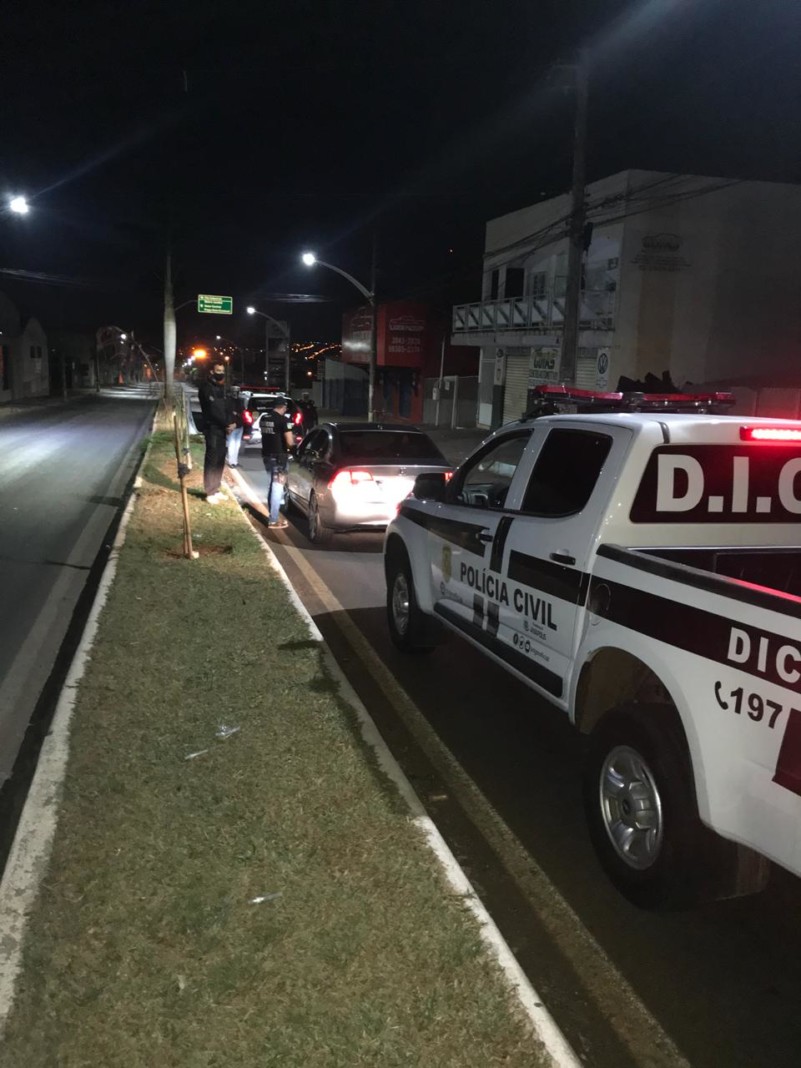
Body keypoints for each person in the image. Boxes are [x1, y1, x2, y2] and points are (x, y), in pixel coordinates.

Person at [198, 361, 235, 503]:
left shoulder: (222, 388)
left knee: (220, 460)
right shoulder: (206, 388)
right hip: (212, 428)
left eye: (222, 371)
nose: (221, 374)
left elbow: (228, 407)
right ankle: (210, 492)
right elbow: (213, 410)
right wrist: (226, 424)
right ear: (211, 372)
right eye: (218, 371)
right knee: (212, 460)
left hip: (223, 430)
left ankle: (216, 488)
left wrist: (232, 423)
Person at [260, 395, 295, 528]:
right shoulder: (284, 420)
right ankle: (273, 520)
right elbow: (290, 442)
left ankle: (272, 516)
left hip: (267, 456)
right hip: (279, 459)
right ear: (283, 407)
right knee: (277, 486)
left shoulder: (264, 418)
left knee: (272, 484)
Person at [227, 388, 246, 468]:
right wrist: (229, 425)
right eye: (234, 391)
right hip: (232, 425)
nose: (235, 393)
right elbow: (228, 414)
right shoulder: (228, 401)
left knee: (237, 445)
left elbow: (242, 414)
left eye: (237, 392)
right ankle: (231, 462)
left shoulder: (240, 401)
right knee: (231, 444)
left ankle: (235, 461)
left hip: (239, 425)